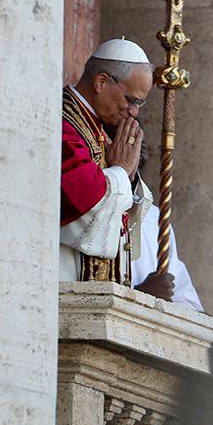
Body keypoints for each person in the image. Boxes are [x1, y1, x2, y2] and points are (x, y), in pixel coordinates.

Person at [59, 38, 155, 286]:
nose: (134, 112)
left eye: (140, 103)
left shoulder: (100, 130)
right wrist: (121, 171)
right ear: (101, 82)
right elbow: (79, 199)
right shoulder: (62, 121)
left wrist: (128, 177)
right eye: (131, 100)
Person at [130, 133, 205, 311]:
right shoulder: (89, 209)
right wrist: (139, 296)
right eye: (131, 139)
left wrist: (162, 299)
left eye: (141, 141)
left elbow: (188, 304)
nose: (140, 149)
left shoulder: (155, 218)